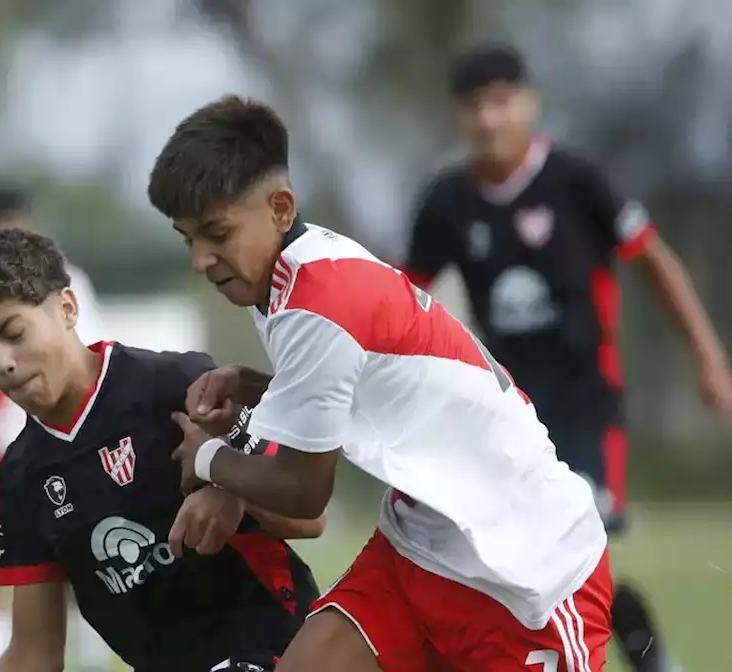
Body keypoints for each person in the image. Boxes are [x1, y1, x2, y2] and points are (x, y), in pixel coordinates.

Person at [147, 94, 613, 671]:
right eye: (186, 237)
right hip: (418, 546)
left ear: (280, 207)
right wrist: (254, 386)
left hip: (525, 574)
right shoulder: (287, 270)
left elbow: (304, 490)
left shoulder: (316, 301)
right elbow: (357, 395)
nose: (200, 258)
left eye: (215, 233)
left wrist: (211, 460)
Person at [400, 43, 732, 672]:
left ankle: (637, 649)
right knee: (510, 558)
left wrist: (709, 358)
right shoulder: (446, 203)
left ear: (528, 104)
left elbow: (656, 264)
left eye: (501, 102)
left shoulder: (576, 182)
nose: (489, 119)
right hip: (504, 413)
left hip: (588, 405)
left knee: (571, 545)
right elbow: (400, 305)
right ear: (459, 117)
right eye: (474, 106)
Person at [0, 227, 325, 672]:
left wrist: (225, 478)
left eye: (15, 333)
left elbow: (309, 516)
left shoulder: (178, 386)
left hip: (280, 651)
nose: (2, 361)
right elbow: (34, 652)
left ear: (67, 308)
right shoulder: (23, 474)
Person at [0, 184, 110, 671]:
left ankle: (91, 662)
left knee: (82, 561)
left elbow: (93, 356)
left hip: (59, 432)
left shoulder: (64, 281)